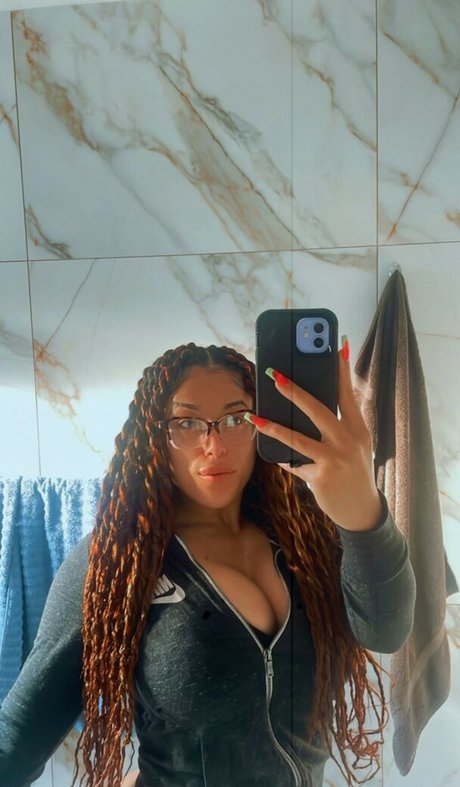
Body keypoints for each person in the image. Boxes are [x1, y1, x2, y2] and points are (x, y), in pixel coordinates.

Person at [0, 340, 416, 787]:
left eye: (236, 419)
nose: (214, 445)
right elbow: (17, 741)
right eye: (186, 422)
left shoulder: (307, 537)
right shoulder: (117, 562)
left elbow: (386, 630)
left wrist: (364, 513)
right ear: (155, 436)